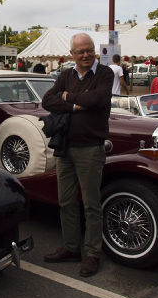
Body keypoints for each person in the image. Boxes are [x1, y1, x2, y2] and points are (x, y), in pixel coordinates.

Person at [41, 33, 113, 277]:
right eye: (80, 51)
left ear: (95, 51)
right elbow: (47, 100)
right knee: (66, 201)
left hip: (91, 148)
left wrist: (66, 97)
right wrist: (74, 103)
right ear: (72, 54)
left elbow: (97, 99)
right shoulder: (66, 75)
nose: (85, 55)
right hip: (65, 147)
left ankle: (92, 253)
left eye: (89, 50)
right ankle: (71, 248)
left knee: (92, 204)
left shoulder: (104, 74)